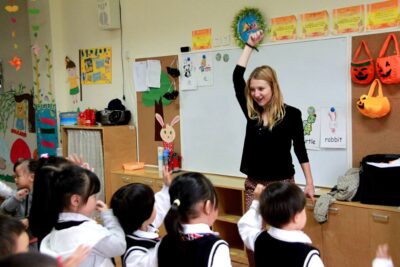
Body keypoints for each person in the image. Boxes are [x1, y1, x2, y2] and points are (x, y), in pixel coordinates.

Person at [233, 29, 315, 266]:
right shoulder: (251, 114)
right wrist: (249, 46)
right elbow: (237, 77)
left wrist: (309, 182)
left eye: (261, 89)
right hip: (254, 185)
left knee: (286, 237)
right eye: (253, 89)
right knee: (252, 237)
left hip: (282, 186)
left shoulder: (292, 115)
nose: (256, 94)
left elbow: (300, 149)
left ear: (273, 87)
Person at [29, 156, 126, 266]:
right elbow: (119, 246)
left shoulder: (53, 230)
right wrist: (109, 215)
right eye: (93, 195)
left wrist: (84, 179)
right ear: (75, 200)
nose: (96, 199)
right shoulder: (90, 233)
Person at [238, 182, 323, 267]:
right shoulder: (310, 257)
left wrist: (257, 202)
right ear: (296, 217)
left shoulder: (259, 240)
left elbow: (245, 225)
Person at [110, 166, 172, 266]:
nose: (155, 206)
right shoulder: (134, 254)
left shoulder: (143, 225)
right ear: (145, 215)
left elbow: (160, 205)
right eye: (153, 205)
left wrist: (167, 187)